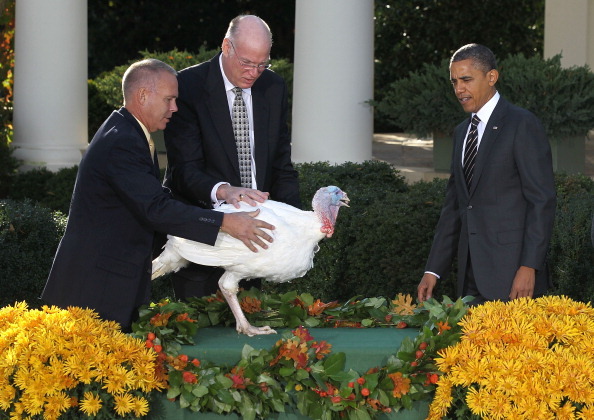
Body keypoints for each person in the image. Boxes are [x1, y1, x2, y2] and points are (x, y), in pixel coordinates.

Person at [42, 59, 275, 331]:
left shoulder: (128, 131)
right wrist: (226, 222)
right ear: (143, 95)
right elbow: (155, 208)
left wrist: (223, 193)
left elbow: (154, 197)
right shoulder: (123, 141)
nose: (175, 108)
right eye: (169, 99)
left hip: (105, 282)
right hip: (95, 289)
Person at [163, 15, 301, 299]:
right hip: (203, 240)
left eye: (262, 64)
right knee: (197, 333)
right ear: (227, 46)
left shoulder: (273, 87)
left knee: (249, 332)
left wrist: (297, 224)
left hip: (256, 241)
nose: (254, 72)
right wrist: (225, 193)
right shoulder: (188, 86)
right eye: (247, 63)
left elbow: (281, 165)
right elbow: (183, 171)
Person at [417, 44, 556, 305]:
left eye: (466, 80)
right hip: (469, 279)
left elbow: (542, 201)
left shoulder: (522, 124)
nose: (459, 89)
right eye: (455, 81)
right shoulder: (461, 132)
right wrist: (432, 269)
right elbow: (454, 208)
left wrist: (530, 267)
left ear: (491, 77)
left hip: (515, 278)